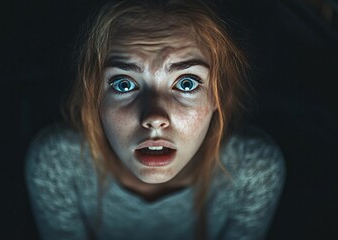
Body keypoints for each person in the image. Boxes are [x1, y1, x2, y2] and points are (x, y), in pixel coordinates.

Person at [25, 0, 285, 239]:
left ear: (219, 96)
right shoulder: (59, 164)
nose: (154, 118)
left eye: (186, 83)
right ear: (95, 97)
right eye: (124, 84)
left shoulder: (252, 170)